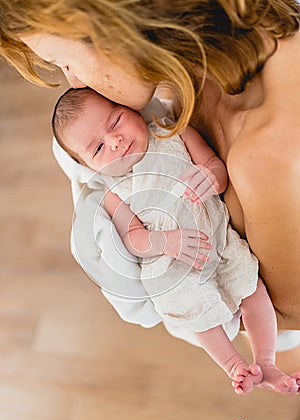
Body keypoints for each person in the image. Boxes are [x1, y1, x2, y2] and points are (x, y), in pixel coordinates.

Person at [1, 0, 300, 395]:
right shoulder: (163, 95)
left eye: (64, 62)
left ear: (120, 32)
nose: (74, 83)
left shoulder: (266, 160)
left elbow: (287, 314)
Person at [51, 86, 299, 395]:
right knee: (195, 313)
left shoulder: (172, 133)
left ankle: (267, 360)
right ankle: (233, 365)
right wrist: (166, 242)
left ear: (132, 109)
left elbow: (215, 168)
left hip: (218, 239)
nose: (114, 140)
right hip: (173, 264)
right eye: (98, 149)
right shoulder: (114, 192)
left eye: (115, 121)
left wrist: (211, 177)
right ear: (90, 167)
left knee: (252, 288)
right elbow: (134, 238)